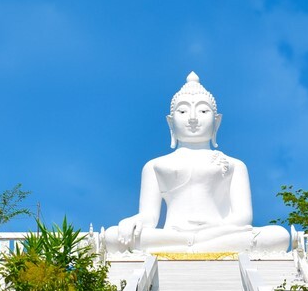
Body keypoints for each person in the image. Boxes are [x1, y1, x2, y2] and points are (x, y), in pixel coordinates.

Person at [104, 72, 289, 254]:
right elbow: (149, 217)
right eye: (183, 111)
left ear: (217, 122)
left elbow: (243, 218)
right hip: (174, 234)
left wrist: (209, 233)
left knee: (279, 235)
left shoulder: (235, 165)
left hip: (219, 233)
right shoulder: (154, 166)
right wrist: (132, 222)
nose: (193, 118)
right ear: (170, 122)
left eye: (202, 111)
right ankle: (193, 244)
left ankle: (191, 244)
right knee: (113, 236)